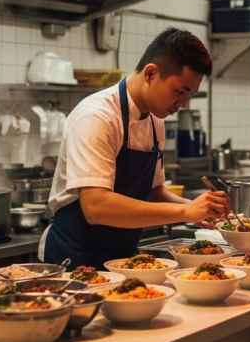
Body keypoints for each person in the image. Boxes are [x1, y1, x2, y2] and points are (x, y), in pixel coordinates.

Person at [40, 28, 228, 267]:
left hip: (122, 259)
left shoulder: (154, 119)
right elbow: (96, 206)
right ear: (151, 73)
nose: (183, 103)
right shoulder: (97, 117)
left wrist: (200, 209)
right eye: (180, 92)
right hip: (76, 260)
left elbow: (153, 192)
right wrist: (185, 212)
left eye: (189, 95)